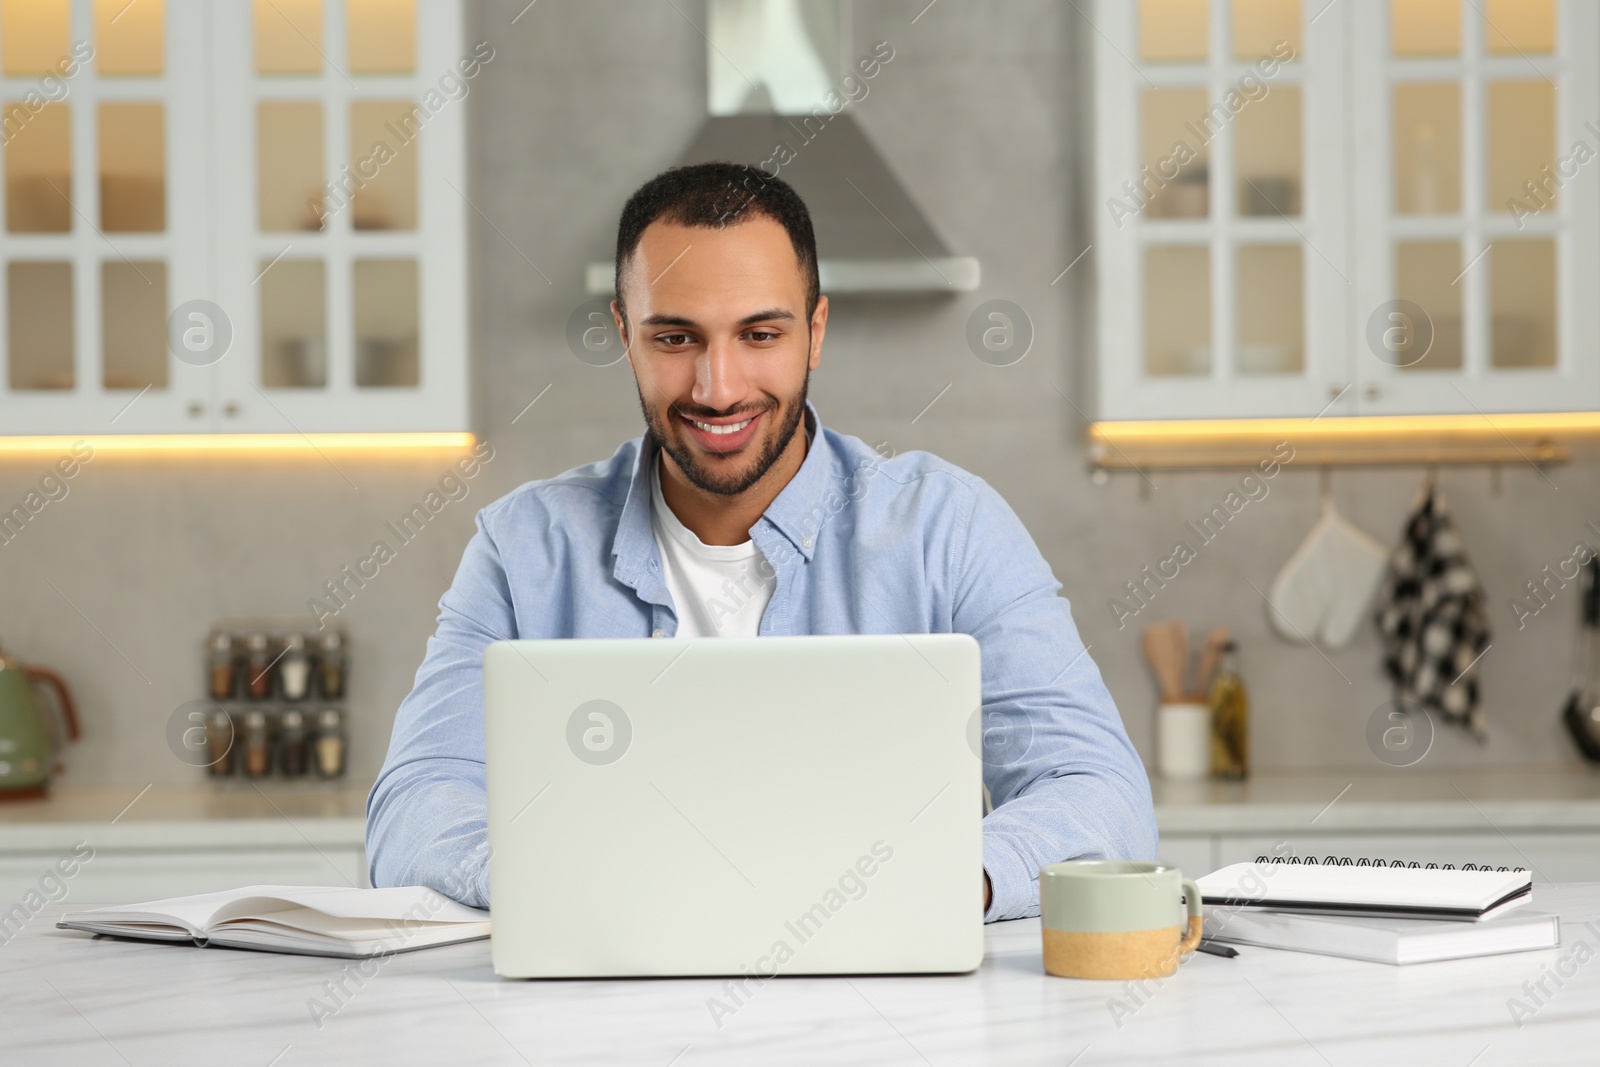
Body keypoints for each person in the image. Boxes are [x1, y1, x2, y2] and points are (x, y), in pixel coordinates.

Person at [367, 162, 1157, 921]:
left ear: (815, 331)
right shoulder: (522, 551)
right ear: (624, 334)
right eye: (675, 338)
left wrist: (930, 882)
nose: (719, 387)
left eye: (759, 333)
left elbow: (1099, 791)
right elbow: (414, 806)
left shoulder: (949, 529)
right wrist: (560, 877)